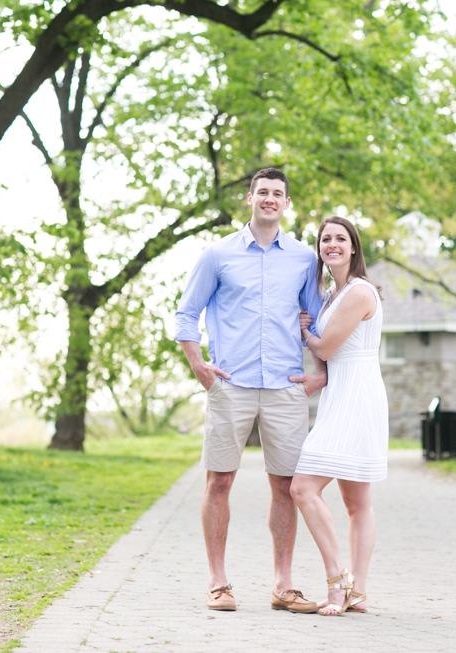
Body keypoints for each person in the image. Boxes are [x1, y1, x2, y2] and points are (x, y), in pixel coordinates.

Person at [174, 168, 327, 613]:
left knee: (286, 486)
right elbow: (187, 313)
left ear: (286, 202)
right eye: (263, 192)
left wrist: (319, 373)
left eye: (277, 193)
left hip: (284, 386)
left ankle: (283, 586)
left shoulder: (302, 258)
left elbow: (316, 320)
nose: (269, 199)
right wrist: (198, 364)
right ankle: (218, 584)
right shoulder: (217, 255)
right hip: (231, 383)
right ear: (250, 198)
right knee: (219, 481)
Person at [291, 215, 388, 616]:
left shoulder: (360, 292)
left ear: (353, 247)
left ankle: (339, 580)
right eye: (324, 239)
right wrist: (319, 374)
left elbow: (327, 347)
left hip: (357, 396)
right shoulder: (332, 293)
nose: (332, 244)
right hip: (340, 391)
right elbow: (328, 356)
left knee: (302, 487)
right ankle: (358, 594)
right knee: (356, 501)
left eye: (339, 238)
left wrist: (305, 333)